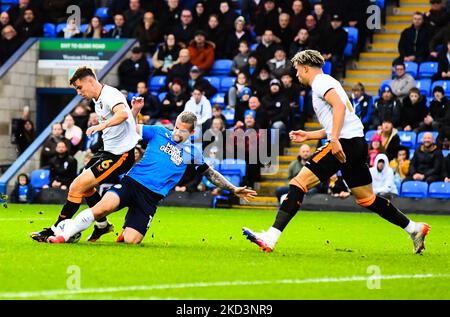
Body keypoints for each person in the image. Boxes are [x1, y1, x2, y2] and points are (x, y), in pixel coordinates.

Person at [242, 50, 430, 254]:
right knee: (367, 198)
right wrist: (308, 135)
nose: (296, 75)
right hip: (357, 142)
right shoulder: (328, 82)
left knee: (298, 183)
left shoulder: (320, 82)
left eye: (297, 70)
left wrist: (333, 140)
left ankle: (271, 237)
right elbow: (338, 118)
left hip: (344, 142)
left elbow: (339, 107)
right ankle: (414, 228)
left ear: (306, 67)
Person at [47, 111, 257, 244]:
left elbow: (210, 174)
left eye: (182, 131)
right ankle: (62, 236)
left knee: (131, 241)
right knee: (101, 208)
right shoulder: (158, 132)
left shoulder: (194, 152)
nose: (177, 133)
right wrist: (134, 111)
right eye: (176, 127)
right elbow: (130, 128)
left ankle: (125, 230)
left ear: (192, 133)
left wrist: (233, 188)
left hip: (151, 198)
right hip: (132, 183)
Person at [31, 66, 140, 243]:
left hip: (119, 155)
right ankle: (103, 226)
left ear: (90, 81)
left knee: (76, 187)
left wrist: (101, 126)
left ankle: (54, 229)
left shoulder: (109, 95)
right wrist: (134, 111)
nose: (78, 92)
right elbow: (127, 118)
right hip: (107, 152)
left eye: (79, 87)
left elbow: (122, 114)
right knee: (87, 188)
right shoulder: (98, 100)